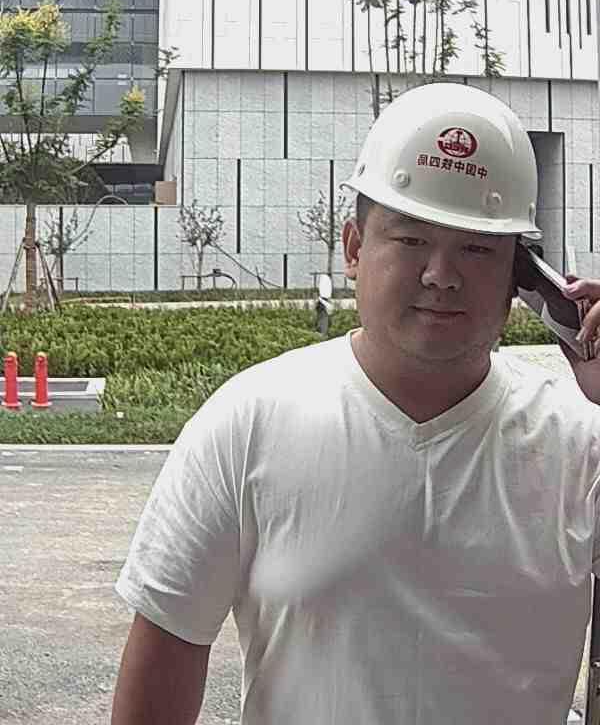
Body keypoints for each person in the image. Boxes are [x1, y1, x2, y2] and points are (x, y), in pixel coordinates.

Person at [111, 82, 600, 725]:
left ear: (522, 277)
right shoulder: (249, 423)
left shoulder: (578, 443)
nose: (441, 275)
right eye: (411, 239)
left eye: (478, 248)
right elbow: (165, 655)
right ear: (353, 249)